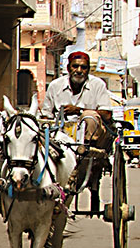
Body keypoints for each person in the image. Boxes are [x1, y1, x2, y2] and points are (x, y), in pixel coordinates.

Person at [40, 51, 114, 209]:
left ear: (88, 70)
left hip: (89, 136)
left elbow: (107, 114)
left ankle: (84, 154)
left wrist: (79, 110)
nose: (79, 70)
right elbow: (45, 114)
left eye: (83, 67)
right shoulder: (55, 86)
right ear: (68, 68)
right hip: (59, 135)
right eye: (75, 66)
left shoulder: (98, 85)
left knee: (89, 116)